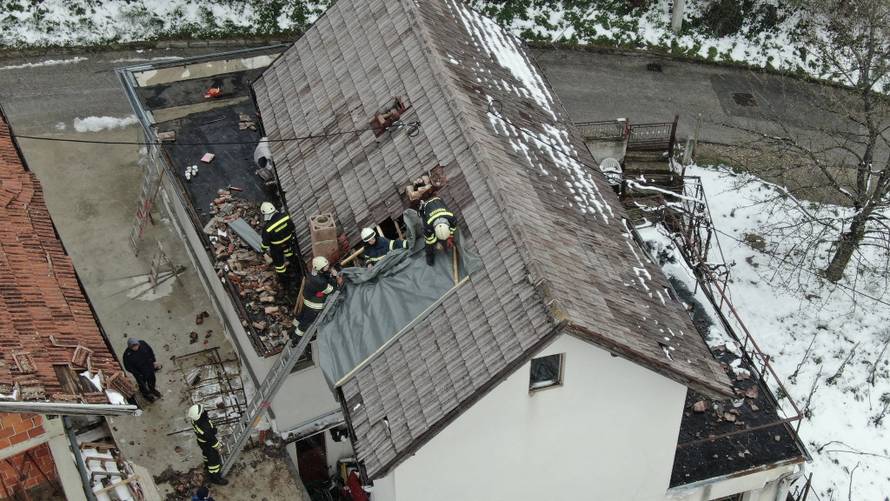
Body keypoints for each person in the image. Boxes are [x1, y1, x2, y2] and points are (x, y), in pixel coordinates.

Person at [291, 256, 339, 345]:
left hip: (306, 302)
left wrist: (328, 274)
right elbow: (332, 290)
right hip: (313, 307)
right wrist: (334, 277)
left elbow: (322, 276)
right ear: (321, 268)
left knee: (300, 317)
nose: (327, 267)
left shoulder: (313, 273)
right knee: (305, 323)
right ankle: (295, 340)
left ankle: (292, 332)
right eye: (326, 266)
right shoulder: (320, 282)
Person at [260, 202, 301, 293]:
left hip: (276, 248)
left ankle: (286, 283)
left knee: (279, 266)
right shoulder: (285, 216)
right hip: (288, 242)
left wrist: (262, 250)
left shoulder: (268, 228)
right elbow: (292, 227)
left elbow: (265, 244)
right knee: (290, 254)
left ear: (265, 214)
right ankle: (297, 271)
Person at [188, 404, 228, 486]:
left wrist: (212, 429)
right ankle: (215, 478)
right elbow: (211, 439)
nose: (204, 411)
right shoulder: (205, 428)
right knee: (214, 461)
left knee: (206, 454)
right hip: (208, 444)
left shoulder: (195, 420)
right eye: (202, 411)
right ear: (199, 415)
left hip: (202, 442)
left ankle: (207, 465)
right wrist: (219, 447)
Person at [419, 196, 456, 266]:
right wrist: (436, 243)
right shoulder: (428, 226)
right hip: (426, 206)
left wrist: (449, 238)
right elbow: (429, 240)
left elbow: (452, 229)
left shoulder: (452, 218)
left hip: (437, 199)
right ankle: (429, 257)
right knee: (429, 243)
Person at [122, 338, 161, 402]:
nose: (135, 347)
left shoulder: (143, 344)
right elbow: (128, 367)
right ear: (130, 347)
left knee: (152, 380)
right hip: (140, 373)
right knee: (142, 385)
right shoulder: (127, 355)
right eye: (133, 347)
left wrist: (154, 361)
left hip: (149, 367)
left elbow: (150, 351)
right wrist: (137, 373)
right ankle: (146, 395)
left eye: (136, 345)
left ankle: (152, 389)